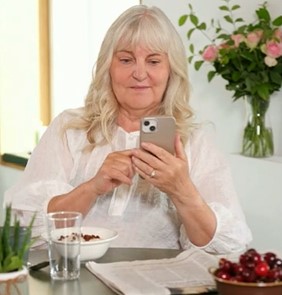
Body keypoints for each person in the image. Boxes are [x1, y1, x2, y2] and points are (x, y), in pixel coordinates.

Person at [4, 5, 252, 253]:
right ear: (107, 67)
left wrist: (182, 190)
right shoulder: (70, 129)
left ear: (171, 71)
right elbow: (23, 228)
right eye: (126, 60)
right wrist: (92, 187)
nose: (140, 73)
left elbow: (226, 249)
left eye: (153, 61)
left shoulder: (195, 141)